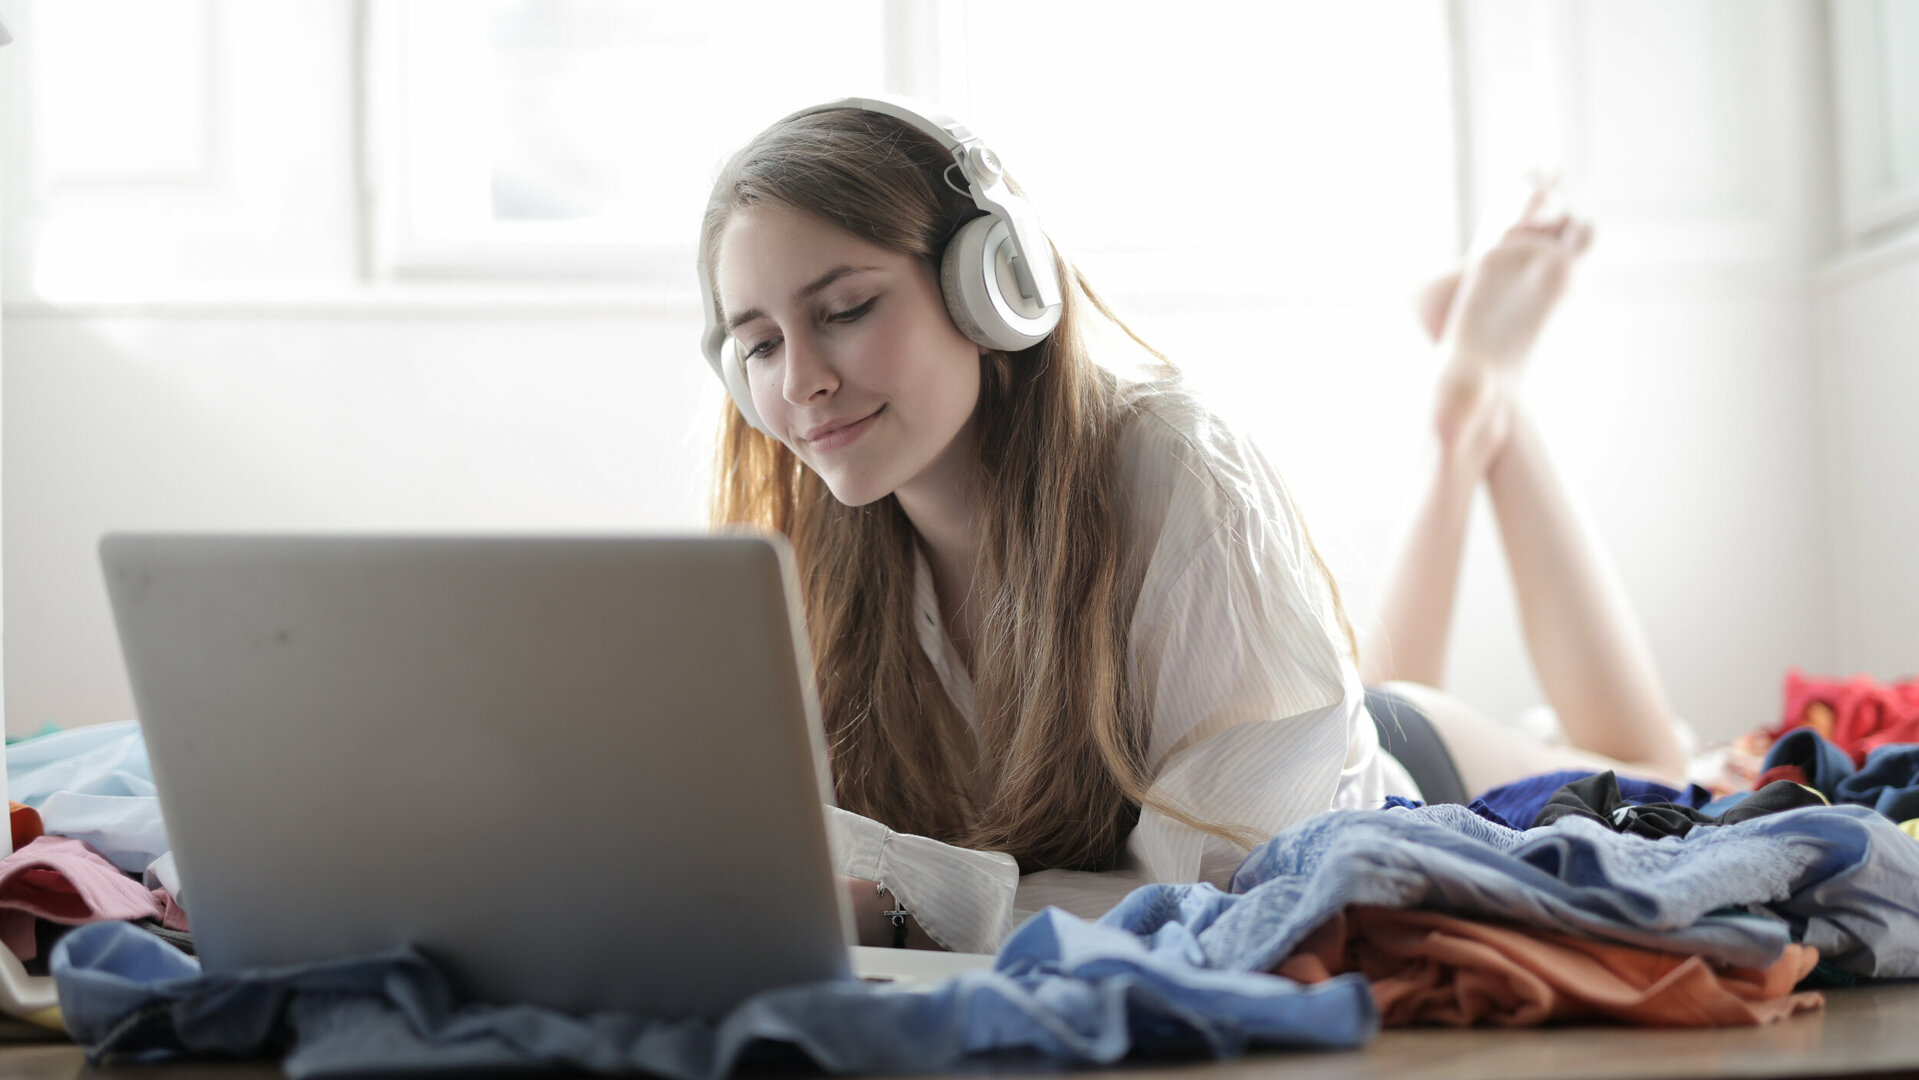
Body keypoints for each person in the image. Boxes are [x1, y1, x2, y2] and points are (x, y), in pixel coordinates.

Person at [695, 99, 1689, 955]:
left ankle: (1468, 405)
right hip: (1285, 729)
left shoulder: (1177, 471)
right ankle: (1465, 410)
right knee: (1367, 684)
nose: (800, 384)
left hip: (1374, 797)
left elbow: (1239, 893)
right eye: (761, 345)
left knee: (1659, 773)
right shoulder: (810, 542)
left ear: (993, 283)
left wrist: (906, 914)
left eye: (845, 310)